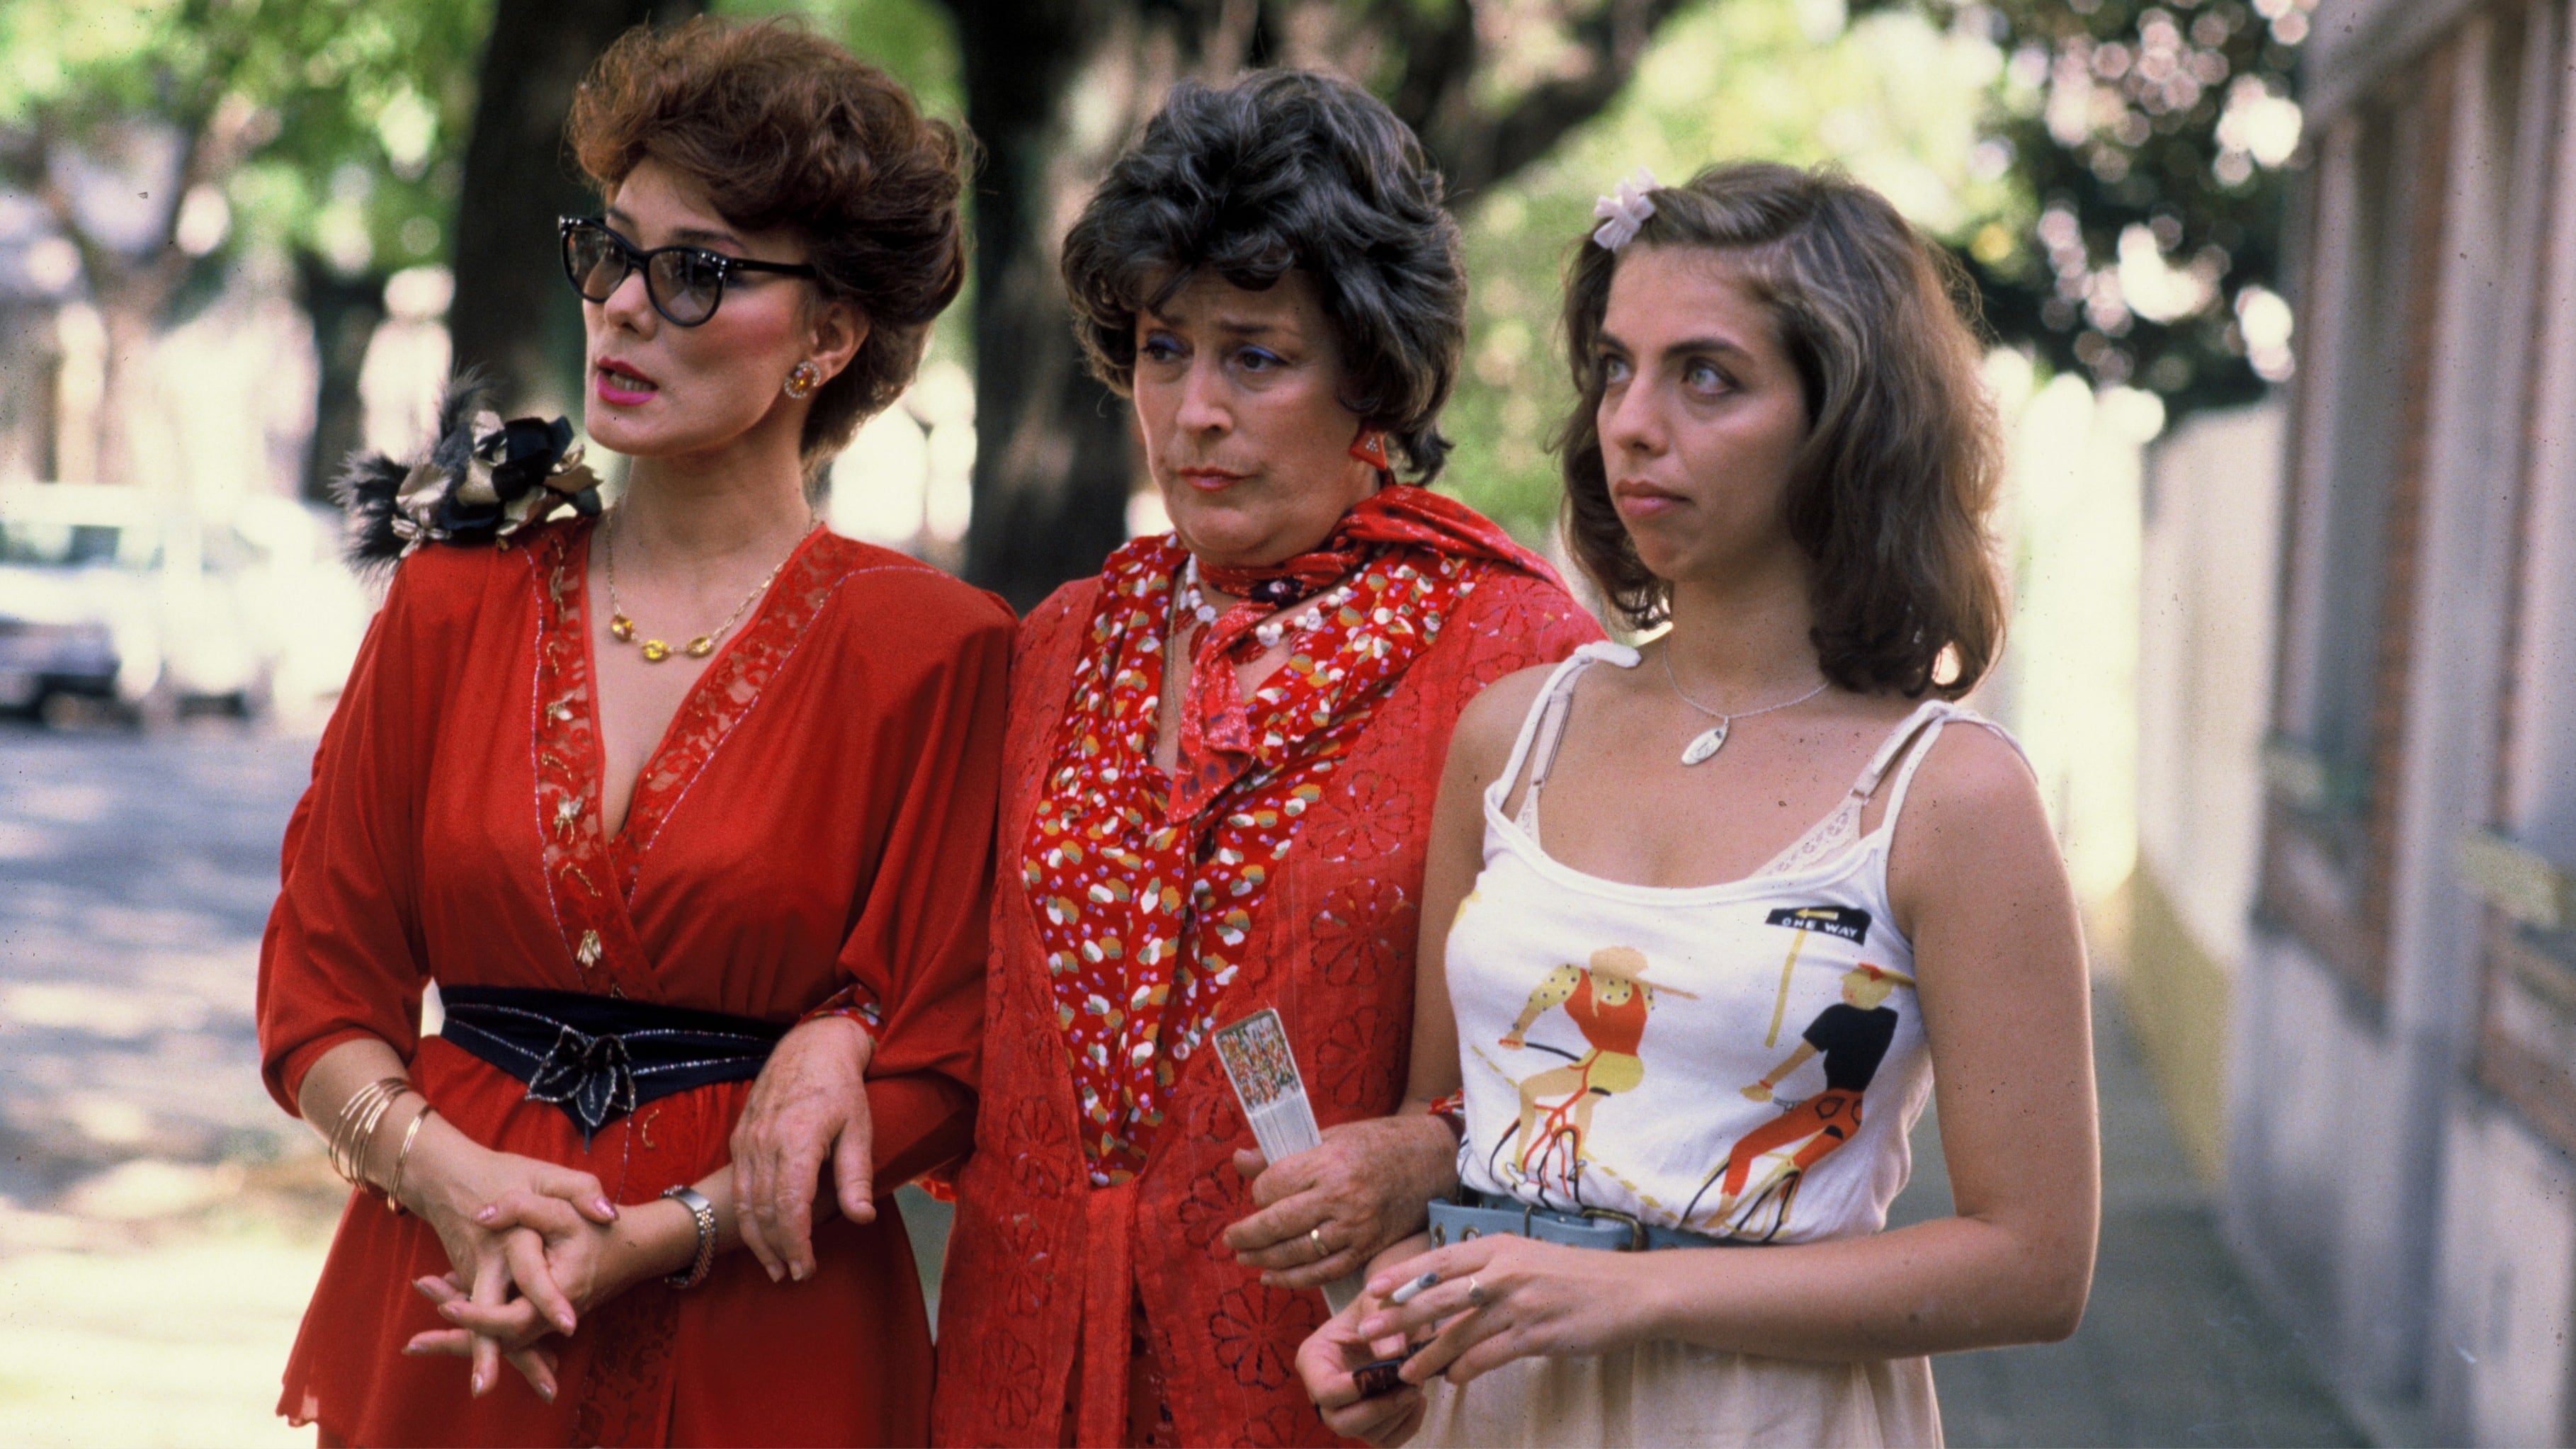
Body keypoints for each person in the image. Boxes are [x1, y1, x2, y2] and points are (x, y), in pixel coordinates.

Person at [254, 18, 1006, 1445]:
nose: (623, 308)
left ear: (830, 337)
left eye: (698, 270)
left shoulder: (938, 653)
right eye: (612, 251)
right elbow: (316, 994)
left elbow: (942, 1057)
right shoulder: (447, 606)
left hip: (767, 1336)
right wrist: (445, 1177)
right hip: (452, 1307)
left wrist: (665, 1231)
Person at [1295, 162, 2099, 1447]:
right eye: (1615, 368)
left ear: (1846, 419)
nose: (1631, 421)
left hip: (1765, 1414)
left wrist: (1630, 1293)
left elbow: (2034, 1265)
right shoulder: (1513, 735)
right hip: (1493, 1412)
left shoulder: (1948, 794)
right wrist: (1392, 1310)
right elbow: (1450, 1128)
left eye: (1707, 376)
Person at [900, 69, 1594, 1447]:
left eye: (1256, 357)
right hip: (1017, 1374)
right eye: (1164, 349)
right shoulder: (1061, 643)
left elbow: (1608, 1052)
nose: (1193, 410)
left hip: (1335, 1380)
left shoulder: (1519, 655)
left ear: (1372, 373)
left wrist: (1424, 1150)